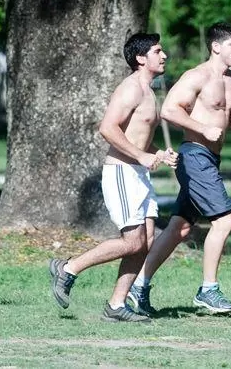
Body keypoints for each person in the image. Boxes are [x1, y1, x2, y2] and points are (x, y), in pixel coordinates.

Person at [48, 33, 177, 323]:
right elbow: (107, 128)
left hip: (138, 173)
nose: (164, 55)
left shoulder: (148, 90)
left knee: (144, 243)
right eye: (158, 51)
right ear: (141, 58)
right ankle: (68, 268)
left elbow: (139, 138)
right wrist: (142, 156)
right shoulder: (131, 88)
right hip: (121, 171)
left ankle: (117, 305)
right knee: (132, 242)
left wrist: (158, 154)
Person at [127, 22, 231, 316]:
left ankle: (138, 286)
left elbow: (225, 118)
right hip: (194, 156)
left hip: (210, 159)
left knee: (179, 228)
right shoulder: (197, 76)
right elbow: (170, 110)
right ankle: (208, 290)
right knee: (224, 222)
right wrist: (203, 128)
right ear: (216, 46)